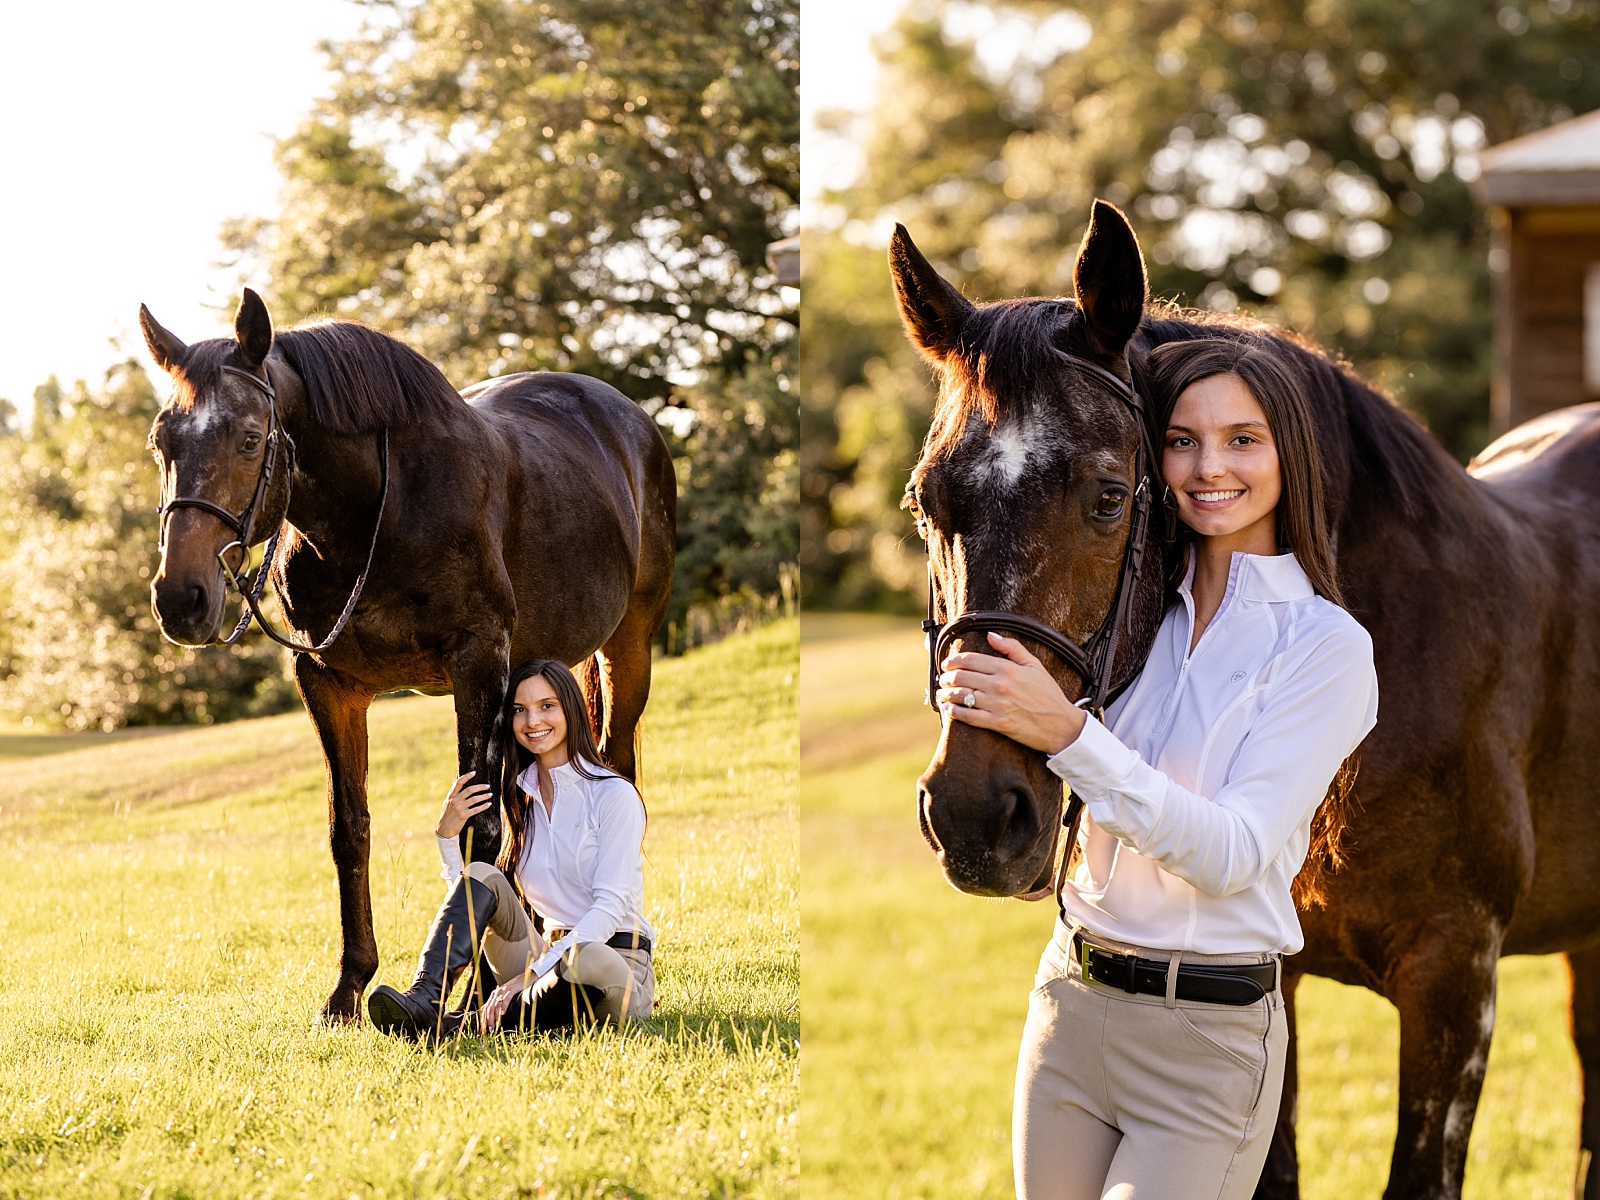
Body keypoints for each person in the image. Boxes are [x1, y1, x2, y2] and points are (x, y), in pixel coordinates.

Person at [936, 337, 1379, 1199]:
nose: (1210, 466)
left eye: (1243, 440)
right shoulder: (1129, 626)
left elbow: (1233, 853)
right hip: (1070, 1009)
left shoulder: (1327, 648)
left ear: (1291, 453)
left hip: (1206, 1043)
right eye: (1183, 441)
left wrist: (1067, 733)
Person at [367, 658, 654, 1038]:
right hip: (544, 961)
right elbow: (471, 908)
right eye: (520, 710)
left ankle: (462, 1026)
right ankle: (425, 1000)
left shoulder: (612, 795)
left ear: (571, 709)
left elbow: (610, 907)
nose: (533, 721)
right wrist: (447, 839)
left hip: (614, 964)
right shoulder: (521, 805)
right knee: (482, 875)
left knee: (585, 956)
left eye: (546, 706)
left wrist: (530, 976)